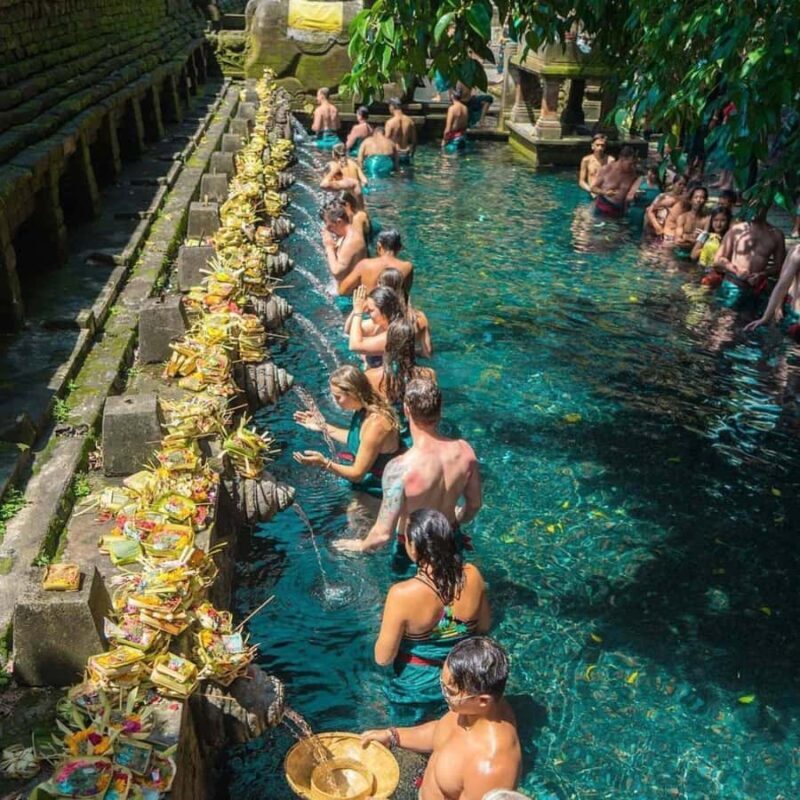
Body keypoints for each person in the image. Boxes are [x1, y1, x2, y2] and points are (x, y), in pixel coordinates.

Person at [333, 377, 482, 564]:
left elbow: (382, 534)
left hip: (412, 549)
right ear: (440, 410)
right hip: (450, 538)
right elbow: (474, 504)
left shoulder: (400, 468)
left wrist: (361, 546)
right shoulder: (464, 451)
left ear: (406, 409)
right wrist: (458, 519)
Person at [360, 637, 522, 800]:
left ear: (482, 700)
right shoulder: (473, 708)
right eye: (442, 684)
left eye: (450, 691)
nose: (443, 694)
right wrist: (392, 735)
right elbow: (441, 730)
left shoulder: (490, 768)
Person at [376, 509, 491, 724]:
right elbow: (484, 627)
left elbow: (383, 658)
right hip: (463, 679)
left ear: (413, 546)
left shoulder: (401, 595)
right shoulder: (473, 575)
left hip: (417, 686)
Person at [292, 365, 401, 498]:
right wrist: (322, 427)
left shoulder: (376, 424)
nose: (335, 401)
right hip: (367, 481)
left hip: (380, 488)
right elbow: (357, 438)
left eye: (338, 397)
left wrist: (325, 463)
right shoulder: (364, 409)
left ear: (354, 393)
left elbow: (357, 474)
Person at [366, 318, 437, 445]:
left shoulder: (371, 376)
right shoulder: (429, 374)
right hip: (417, 438)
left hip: (387, 438)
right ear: (412, 345)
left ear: (388, 343)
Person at [712, 204, 786, 307]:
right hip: (731, 285)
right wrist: (735, 270)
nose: (754, 208)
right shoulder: (736, 230)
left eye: (759, 205)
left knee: (747, 321)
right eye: (751, 205)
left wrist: (761, 275)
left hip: (754, 290)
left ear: (767, 206)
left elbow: (779, 267)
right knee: (724, 319)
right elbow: (717, 260)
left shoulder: (776, 235)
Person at [337, 229, 414, 297]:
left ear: (379, 246)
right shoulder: (407, 267)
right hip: (393, 310)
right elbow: (405, 294)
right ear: (399, 247)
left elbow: (342, 291)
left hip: (369, 310)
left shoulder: (365, 264)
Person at [745, 244, 800, 336]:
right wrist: (766, 316)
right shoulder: (797, 252)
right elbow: (782, 285)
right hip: (795, 317)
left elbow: (782, 285)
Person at [377, 268, 432, 358]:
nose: (376, 286)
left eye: (379, 283)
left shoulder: (381, 317)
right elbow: (427, 352)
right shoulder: (420, 317)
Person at [321, 204, 367, 310]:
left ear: (339, 222)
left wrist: (329, 247)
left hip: (349, 299)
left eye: (329, 226)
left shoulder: (350, 241)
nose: (329, 230)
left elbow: (337, 272)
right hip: (345, 294)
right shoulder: (346, 236)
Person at [347, 285, 405, 366]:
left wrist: (358, 312)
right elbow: (349, 330)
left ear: (384, 311)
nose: (367, 311)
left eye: (371, 310)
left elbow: (354, 346)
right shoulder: (380, 323)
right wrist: (357, 307)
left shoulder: (394, 334)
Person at [590, 146, 638, 218]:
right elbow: (593, 188)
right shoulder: (606, 169)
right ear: (622, 159)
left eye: (634, 164)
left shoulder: (632, 174)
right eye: (630, 164)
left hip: (620, 210)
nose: (632, 166)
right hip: (603, 207)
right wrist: (605, 192)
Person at [691, 205, 732, 277]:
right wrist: (707, 248)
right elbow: (693, 255)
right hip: (700, 270)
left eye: (723, 220)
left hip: (717, 275)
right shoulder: (705, 235)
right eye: (715, 220)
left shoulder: (730, 238)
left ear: (728, 221)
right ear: (711, 221)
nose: (718, 224)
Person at [674, 186, 709, 257]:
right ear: (691, 200)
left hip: (697, 254)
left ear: (705, 201)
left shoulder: (706, 219)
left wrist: (685, 237)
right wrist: (695, 240)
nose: (698, 200)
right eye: (696, 197)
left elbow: (705, 242)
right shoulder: (683, 218)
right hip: (681, 253)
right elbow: (677, 241)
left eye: (702, 198)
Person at [385, 98, 418, 163]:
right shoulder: (410, 121)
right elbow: (414, 141)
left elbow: (386, 140)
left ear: (392, 106)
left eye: (389, 106)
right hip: (405, 154)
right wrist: (412, 155)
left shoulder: (390, 122)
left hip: (395, 154)